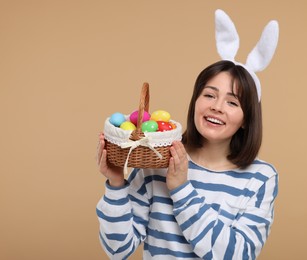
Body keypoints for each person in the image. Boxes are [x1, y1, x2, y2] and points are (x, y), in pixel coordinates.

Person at [96, 9, 279, 260]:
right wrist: (116, 184)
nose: (217, 106)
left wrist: (181, 188)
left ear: (247, 120)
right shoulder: (156, 158)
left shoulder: (260, 178)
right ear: (196, 101)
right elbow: (117, 250)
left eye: (232, 102)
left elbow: (236, 256)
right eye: (210, 95)